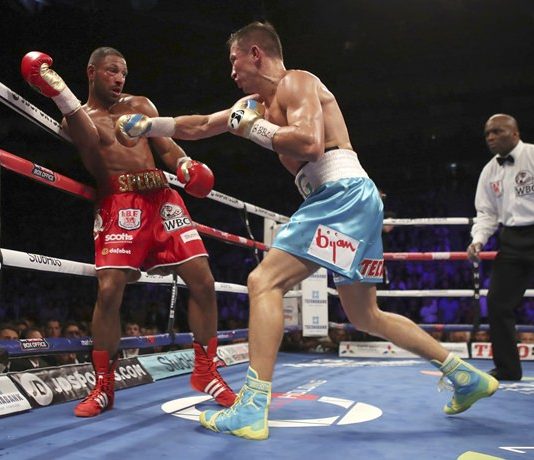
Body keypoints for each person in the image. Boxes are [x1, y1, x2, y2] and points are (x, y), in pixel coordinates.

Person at [114, 22, 499, 440]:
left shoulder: (296, 82)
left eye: (235, 61)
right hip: (350, 197)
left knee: (263, 281)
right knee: (364, 314)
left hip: (340, 192)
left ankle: (252, 407)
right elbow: (204, 123)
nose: (232, 72)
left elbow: (310, 144)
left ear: (256, 54)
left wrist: (254, 128)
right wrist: (150, 126)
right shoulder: (254, 103)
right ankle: (464, 376)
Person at [20, 47, 236, 417]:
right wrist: (60, 94)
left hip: (163, 199)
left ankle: (206, 370)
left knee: (203, 280)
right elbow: (88, 143)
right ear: (91, 72)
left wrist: (185, 165)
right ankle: (104, 384)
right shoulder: (76, 120)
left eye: (123, 72)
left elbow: (167, 146)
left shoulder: (140, 105)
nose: (119, 79)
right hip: (118, 204)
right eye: (111, 71)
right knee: (109, 290)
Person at [467, 113, 534, 382]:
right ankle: (507, 369)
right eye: (487, 134)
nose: (491, 138)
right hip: (512, 240)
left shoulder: (532, 155)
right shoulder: (489, 171)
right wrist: (478, 240)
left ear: (515, 133)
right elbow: (486, 213)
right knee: (497, 303)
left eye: (497, 132)